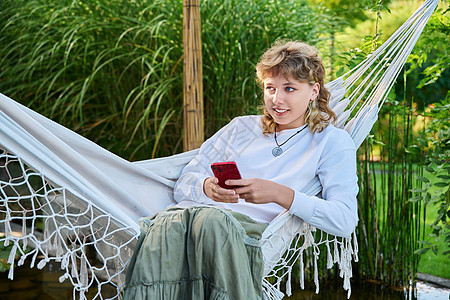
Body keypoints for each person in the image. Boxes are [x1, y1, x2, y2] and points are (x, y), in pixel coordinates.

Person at [123, 40, 358, 300]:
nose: (277, 99)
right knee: (173, 221)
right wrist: (207, 188)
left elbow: (345, 220)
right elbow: (183, 183)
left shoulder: (330, 141)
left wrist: (280, 194)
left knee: (209, 221)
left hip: (249, 238)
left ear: (314, 91)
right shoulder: (240, 128)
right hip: (193, 224)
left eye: (289, 88)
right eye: (270, 88)